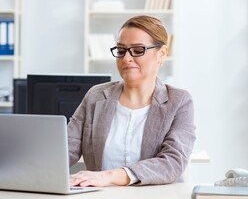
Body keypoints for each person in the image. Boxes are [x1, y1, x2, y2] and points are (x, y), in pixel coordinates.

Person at [68, 15, 196, 187]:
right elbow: (66, 148)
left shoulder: (179, 101)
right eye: (121, 51)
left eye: (137, 50)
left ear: (162, 54)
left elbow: (172, 162)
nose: (126, 59)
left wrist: (110, 176)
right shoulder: (95, 96)